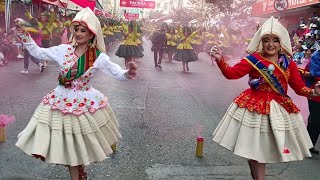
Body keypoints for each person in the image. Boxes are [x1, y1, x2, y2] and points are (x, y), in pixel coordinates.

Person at [14, 7, 137, 180]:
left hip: (84, 102)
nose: (78, 33)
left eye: (83, 30)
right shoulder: (62, 50)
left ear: (91, 34)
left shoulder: (98, 57)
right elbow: (37, 52)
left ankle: (79, 172)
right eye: (76, 29)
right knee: (68, 145)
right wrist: (24, 34)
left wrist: (127, 71)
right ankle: (77, 174)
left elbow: (117, 73)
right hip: (61, 100)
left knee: (79, 145)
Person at [211, 16, 320, 180]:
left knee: (267, 150)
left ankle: (255, 168)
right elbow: (231, 74)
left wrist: (313, 92)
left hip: (279, 110)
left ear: (281, 41)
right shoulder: (253, 60)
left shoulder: (288, 63)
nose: (271, 44)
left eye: (275, 40)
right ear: (260, 42)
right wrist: (221, 60)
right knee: (257, 153)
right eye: (266, 40)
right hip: (255, 108)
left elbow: (299, 87)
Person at [300, 50, 320, 154]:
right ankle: (309, 145)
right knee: (315, 120)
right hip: (316, 94)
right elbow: (314, 73)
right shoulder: (316, 56)